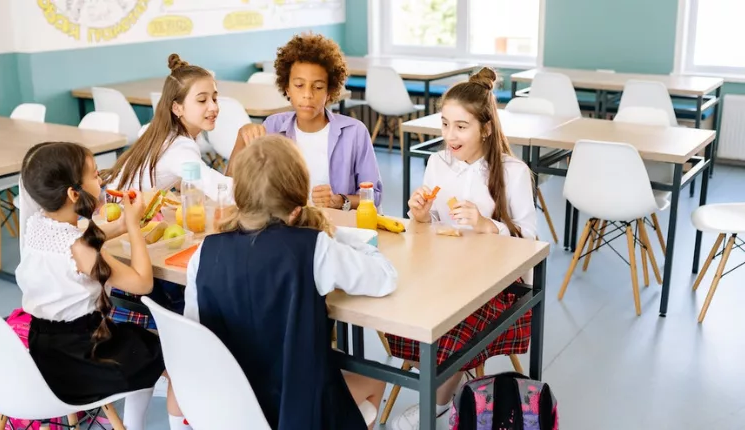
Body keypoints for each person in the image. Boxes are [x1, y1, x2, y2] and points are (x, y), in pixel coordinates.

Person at [185, 135, 396, 430]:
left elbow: (196, 337)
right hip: (298, 411)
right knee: (375, 378)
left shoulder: (203, 253)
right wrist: (340, 235)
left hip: (229, 410)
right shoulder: (314, 248)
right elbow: (384, 278)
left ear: (239, 198)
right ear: (296, 209)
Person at [390, 67, 537, 429]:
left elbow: (531, 243)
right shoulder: (437, 163)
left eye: (460, 126)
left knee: (451, 323)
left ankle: (435, 405)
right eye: (444, 124)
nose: (449, 135)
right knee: (398, 305)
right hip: (444, 275)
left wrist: (488, 225)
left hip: (495, 286)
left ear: (485, 128)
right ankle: (440, 384)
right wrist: (420, 216)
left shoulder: (512, 172)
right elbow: (425, 231)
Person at [16, 142, 190, 429]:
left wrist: (120, 225)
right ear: (74, 193)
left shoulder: (36, 225)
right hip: (85, 358)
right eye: (96, 175)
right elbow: (142, 283)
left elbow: (81, 237)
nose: (102, 180)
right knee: (172, 357)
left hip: (45, 352)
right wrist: (134, 226)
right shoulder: (83, 251)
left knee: (141, 345)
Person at [227, 32, 383, 209]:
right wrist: (241, 138)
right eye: (299, 85)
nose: (308, 95)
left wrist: (340, 200)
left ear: (329, 92)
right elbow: (231, 189)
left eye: (317, 87)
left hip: (334, 226)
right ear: (287, 88)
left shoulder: (354, 132)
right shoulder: (272, 127)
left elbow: (374, 196)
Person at [103, 53, 232, 201]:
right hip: (117, 213)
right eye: (202, 100)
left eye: (214, 98)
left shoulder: (159, 130)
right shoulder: (179, 147)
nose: (213, 107)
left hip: (110, 201)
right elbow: (220, 189)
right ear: (177, 108)